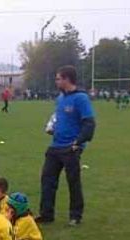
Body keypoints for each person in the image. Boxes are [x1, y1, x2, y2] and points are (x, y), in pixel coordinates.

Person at [38, 65, 96, 226]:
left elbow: (89, 123)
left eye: (58, 78)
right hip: (55, 146)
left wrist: (78, 142)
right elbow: (58, 118)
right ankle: (46, 214)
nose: (56, 81)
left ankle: (75, 215)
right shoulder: (60, 98)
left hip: (71, 147)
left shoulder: (81, 98)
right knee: (47, 180)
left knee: (73, 182)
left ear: (66, 79)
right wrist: (52, 127)